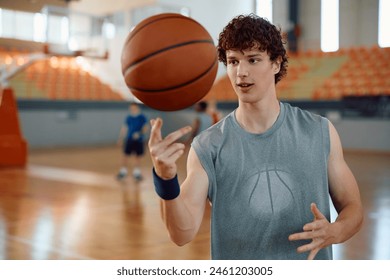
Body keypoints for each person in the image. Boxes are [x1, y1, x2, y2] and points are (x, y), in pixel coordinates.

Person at [148, 14, 363, 260]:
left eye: (252, 60)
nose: (241, 72)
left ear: (276, 64)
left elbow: (353, 208)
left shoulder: (319, 132)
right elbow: (182, 233)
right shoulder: (208, 146)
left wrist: (336, 231)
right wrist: (166, 180)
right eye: (233, 61)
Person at [117, 102, 148, 181]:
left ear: (137, 108)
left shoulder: (142, 117)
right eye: (131, 108)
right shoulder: (129, 117)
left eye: (134, 108)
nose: (132, 109)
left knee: (138, 156)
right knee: (125, 155)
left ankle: (136, 173)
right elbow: (125, 128)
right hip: (129, 139)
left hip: (139, 140)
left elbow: (145, 127)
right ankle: (123, 172)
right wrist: (121, 138)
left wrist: (139, 133)